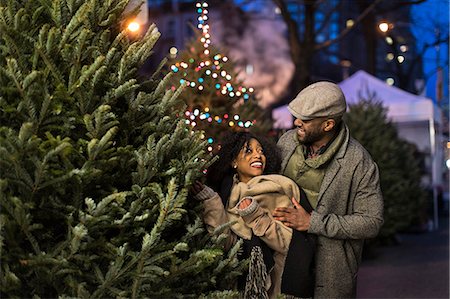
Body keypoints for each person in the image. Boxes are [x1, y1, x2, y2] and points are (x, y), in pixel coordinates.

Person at [273, 81, 384, 298]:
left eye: (305, 120)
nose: (296, 122)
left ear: (328, 125)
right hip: (284, 261)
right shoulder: (286, 142)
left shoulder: (358, 162)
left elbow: (372, 221)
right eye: (297, 116)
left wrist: (312, 222)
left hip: (330, 275)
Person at [192, 132, 315, 299]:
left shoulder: (278, 188)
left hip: (276, 285)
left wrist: (256, 217)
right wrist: (211, 201)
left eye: (261, 151)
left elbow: (289, 243)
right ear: (233, 161)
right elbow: (223, 244)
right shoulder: (227, 193)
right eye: (248, 151)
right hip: (239, 286)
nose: (258, 154)